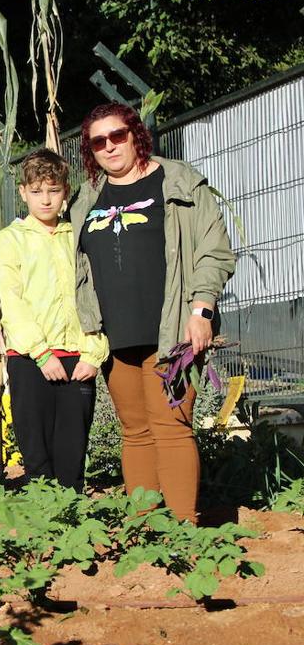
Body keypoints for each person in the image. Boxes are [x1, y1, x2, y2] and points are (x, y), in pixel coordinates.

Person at [70, 102, 235, 519]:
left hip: (173, 331)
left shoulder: (179, 182)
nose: (109, 147)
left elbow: (213, 252)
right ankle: (145, 532)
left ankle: (184, 529)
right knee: (136, 433)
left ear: (136, 134)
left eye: (117, 136)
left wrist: (202, 310)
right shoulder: (84, 198)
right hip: (114, 335)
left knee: (171, 426)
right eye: (97, 142)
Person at [0, 149, 108, 493]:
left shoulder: (78, 235)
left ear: (65, 190)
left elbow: (96, 291)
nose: (46, 200)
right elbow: (11, 300)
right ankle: (42, 530)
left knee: (72, 451)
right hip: (30, 358)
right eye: (36, 191)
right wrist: (42, 353)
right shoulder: (11, 238)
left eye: (54, 190)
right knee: (37, 452)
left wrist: (94, 351)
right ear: (22, 192)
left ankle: (73, 525)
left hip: (77, 356)